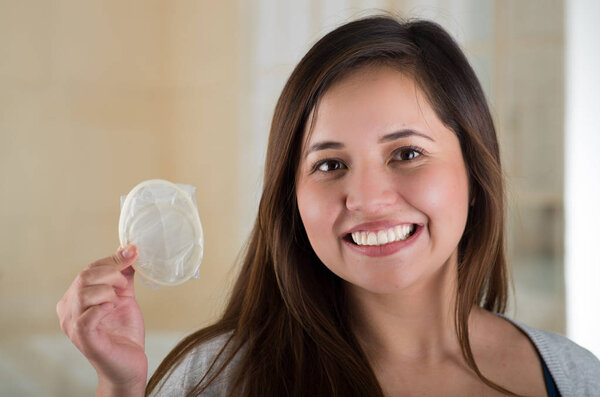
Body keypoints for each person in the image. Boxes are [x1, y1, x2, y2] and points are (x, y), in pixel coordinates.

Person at [56, 16, 600, 397]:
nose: (365, 199)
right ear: (292, 200)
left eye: (407, 153)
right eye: (329, 164)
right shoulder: (215, 380)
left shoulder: (575, 378)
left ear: (474, 174)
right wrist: (122, 386)